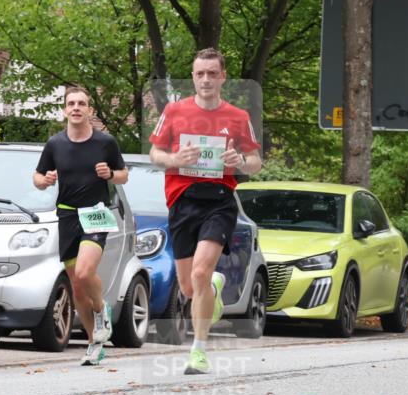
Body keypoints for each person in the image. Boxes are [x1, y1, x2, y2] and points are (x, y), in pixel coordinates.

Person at [149, 48, 262, 374]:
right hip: (182, 201)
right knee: (188, 287)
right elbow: (156, 152)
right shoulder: (174, 111)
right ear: (193, 76)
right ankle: (212, 287)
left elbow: (255, 162)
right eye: (200, 74)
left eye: (213, 73)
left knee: (199, 273)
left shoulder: (238, 117)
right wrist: (174, 160)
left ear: (223, 76)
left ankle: (198, 352)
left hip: (219, 200)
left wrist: (239, 161)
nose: (206, 80)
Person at [34, 86, 127, 365]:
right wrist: (46, 180)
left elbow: (123, 176)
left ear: (89, 110)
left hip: (95, 214)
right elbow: (37, 178)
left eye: (81, 103)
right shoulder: (55, 144)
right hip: (66, 216)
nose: (76, 107)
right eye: (71, 103)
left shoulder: (105, 143)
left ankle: (102, 311)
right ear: (64, 109)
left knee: (86, 273)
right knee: (76, 288)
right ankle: (93, 343)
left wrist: (110, 174)